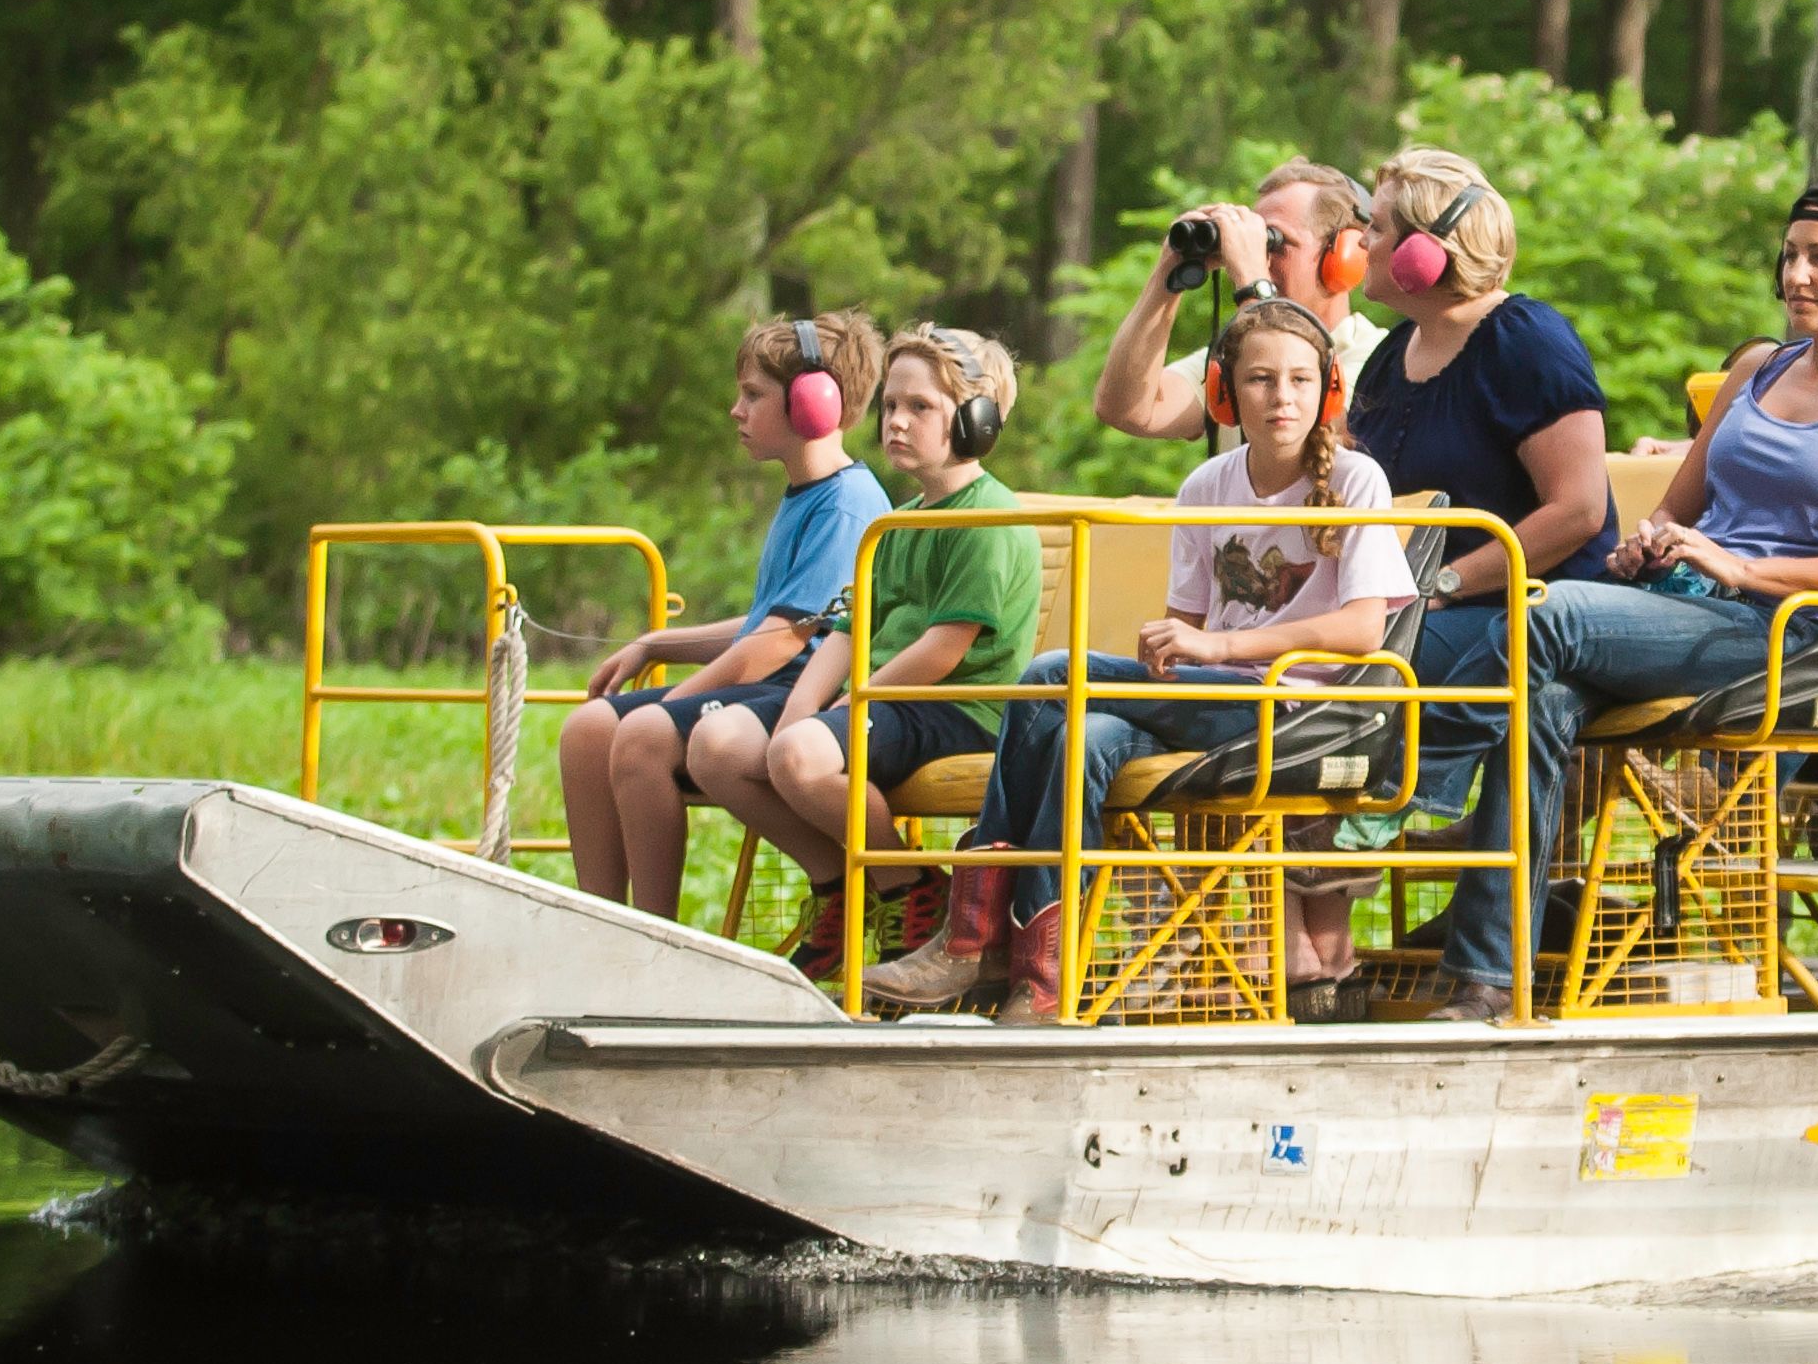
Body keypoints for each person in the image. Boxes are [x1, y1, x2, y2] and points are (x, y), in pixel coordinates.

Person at [868, 298, 1407, 1021]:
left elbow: (1364, 629)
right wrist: (1173, 647)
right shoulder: (1205, 488)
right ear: (1223, 393)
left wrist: (1218, 646)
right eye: (1259, 380)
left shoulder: (1354, 481)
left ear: (1327, 389)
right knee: (1081, 736)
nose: (1282, 397)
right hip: (1208, 696)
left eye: (1300, 381)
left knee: (1052, 674)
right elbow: (1185, 632)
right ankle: (1042, 975)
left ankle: (973, 940)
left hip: (1295, 708)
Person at [1511, 182, 1818, 893]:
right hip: (1690, 603)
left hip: (1791, 635)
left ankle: (1430, 788)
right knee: (1551, 703)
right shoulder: (1757, 368)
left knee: (1548, 612)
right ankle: (1495, 960)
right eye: (1788, 257)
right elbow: (1676, 505)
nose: (1795, 276)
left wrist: (1742, 568)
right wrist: (1646, 543)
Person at [1341, 145, 1617, 1023]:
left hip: (1537, 611)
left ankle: (1386, 820)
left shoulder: (1525, 340)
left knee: (1397, 669)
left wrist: (1446, 584)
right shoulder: (1390, 359)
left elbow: (1577, 510)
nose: (1361, 241)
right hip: (1424, 610)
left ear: (1427, 252)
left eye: (1376, 229)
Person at [694, 327, 1041, 981]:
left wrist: (855, 703)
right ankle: (840, 889)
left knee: (799, 755)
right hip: (892, 703)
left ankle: (908, 888)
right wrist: (802, 707)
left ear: (974, 423)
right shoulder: (899, 518)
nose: (897, 423)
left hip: (954, 708)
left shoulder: (985, 518)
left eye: (921, 408)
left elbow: (944, 648)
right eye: (890, 407)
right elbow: (851, 630)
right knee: (724, 748)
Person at [557, 309, 887, 915]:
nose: (737, 410)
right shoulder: (806, 494)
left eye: (753, 395)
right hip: (766, 679)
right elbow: (766, 620)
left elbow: (778, 645)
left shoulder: (847, 505)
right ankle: (600, 922)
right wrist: (657, 644)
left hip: (797, 692)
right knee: (586, 732)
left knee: (641, 735)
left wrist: (669, 703)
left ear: (812, 405)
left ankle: (654, 932)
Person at [1086, 157, 1386, 440]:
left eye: (1276, 243)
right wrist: (1167, 277)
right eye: (1255, 241)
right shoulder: (1233, 360)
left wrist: (1253, 282)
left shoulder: (1378, 359)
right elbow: (1126, 411)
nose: (1258, 256)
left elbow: (1292, 438)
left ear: (1346, 259)